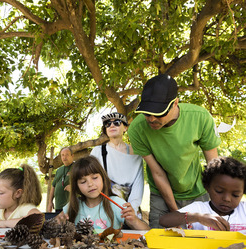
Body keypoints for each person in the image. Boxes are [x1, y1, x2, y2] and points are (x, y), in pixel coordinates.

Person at [128, 74, 221, 228]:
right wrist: (175, 213)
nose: (151, 119)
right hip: (161, 194)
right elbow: (157, 173)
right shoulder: (137, 129)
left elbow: (214, 166)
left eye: (158, 113)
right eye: (146, 113)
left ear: (175, 103)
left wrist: (217, 204)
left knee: (202, 244)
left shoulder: (200, 117)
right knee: (160, 244)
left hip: (197, 191)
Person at [57, 156, 149, 230]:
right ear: (76, 187)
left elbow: (147, 232)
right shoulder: (72, 205)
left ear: (103, 178)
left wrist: (134, 221)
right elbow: (56, 224)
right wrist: (58, 223)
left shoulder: (116, 203)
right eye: (83, 182)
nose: (90, 184)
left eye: (95, 178)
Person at [159, 157, 246, 232]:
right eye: (219, 191)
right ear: (207, 187)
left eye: (235, 195)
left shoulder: (243, 210)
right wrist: (198, 218)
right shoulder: (199, 209)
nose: (227, 199)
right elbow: (164, 220)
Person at [90, 112, 144, 215]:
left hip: (129, 210)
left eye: (117, 122)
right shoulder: (97, 152)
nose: (112, 126)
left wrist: (131, 208)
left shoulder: (136, 154)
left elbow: (138, 184)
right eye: (108, 124)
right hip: (104, 209)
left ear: (125, 128)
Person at [47, 147, 74, 213]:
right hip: (58, 207)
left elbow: (83, 183)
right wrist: (50, 202)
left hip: (71, 207)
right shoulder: (59, 170)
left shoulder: (77, 167)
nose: (64, 157)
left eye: (67, 154)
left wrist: (74, 188)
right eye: (62, 155)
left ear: (72, 156)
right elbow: (53, 186)